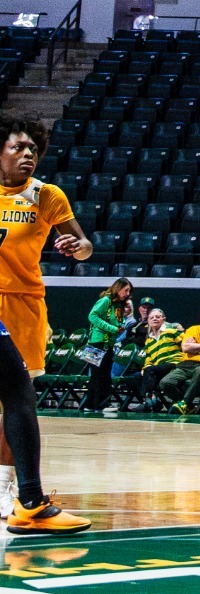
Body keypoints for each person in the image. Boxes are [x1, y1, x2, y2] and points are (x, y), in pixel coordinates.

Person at [0, 117, 92, 529]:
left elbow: (86, 246)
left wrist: (78, 247)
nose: (28, 154)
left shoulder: (45, 195)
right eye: (18, 147)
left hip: (24, 305)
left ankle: (8, 487)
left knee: (15, 400)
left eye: (33, 149)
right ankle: (28, 497)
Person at [157, 303, 200, 408]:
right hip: (186, 365)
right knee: (165, 382)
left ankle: (184, 404)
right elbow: (185, 348)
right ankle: (188, 406)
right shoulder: (192, 329)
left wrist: (195, 347)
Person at [83, 277, 133, 414]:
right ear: (118, 288)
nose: (128, 293)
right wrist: (112, 329)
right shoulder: (105, 300)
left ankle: (91, 404)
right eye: (126, 290)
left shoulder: (118, 306)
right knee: (99, 374)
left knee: (101, 375)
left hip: (108, 343)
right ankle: (100, 404)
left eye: (129, 291)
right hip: (97, 342)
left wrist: (125, 317)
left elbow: (118, 324)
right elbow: (92, 316)